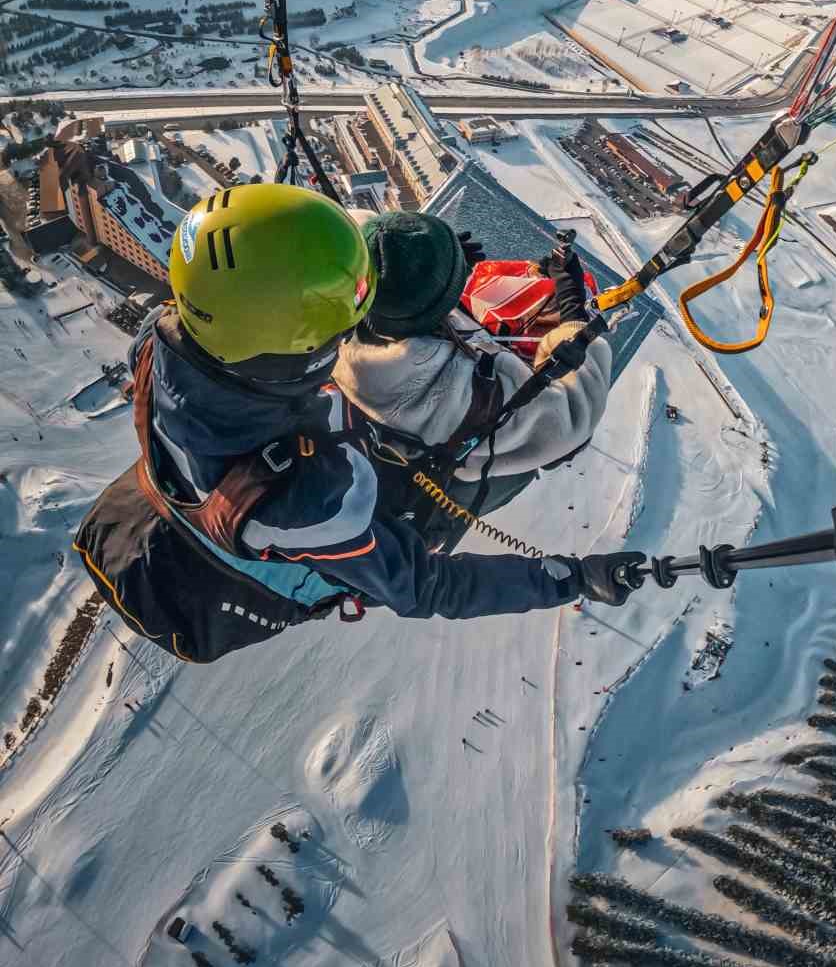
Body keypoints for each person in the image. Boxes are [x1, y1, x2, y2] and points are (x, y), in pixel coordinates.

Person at [102, 184, 641, 647]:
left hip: (215, 473)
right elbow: (427, 586)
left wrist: (428, 263)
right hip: (312, 532)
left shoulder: (170, 339)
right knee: (498, 468)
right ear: (304, 347)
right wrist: (568, 580)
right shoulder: (317, 505)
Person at [333, 211, 613, 552]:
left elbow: (371, 251)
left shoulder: (323, 329)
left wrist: (425, 267)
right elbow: (572, 419)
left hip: (362, 460)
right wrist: (572, 316)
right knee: (522, 465)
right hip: (436, 485)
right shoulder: (451, 394)